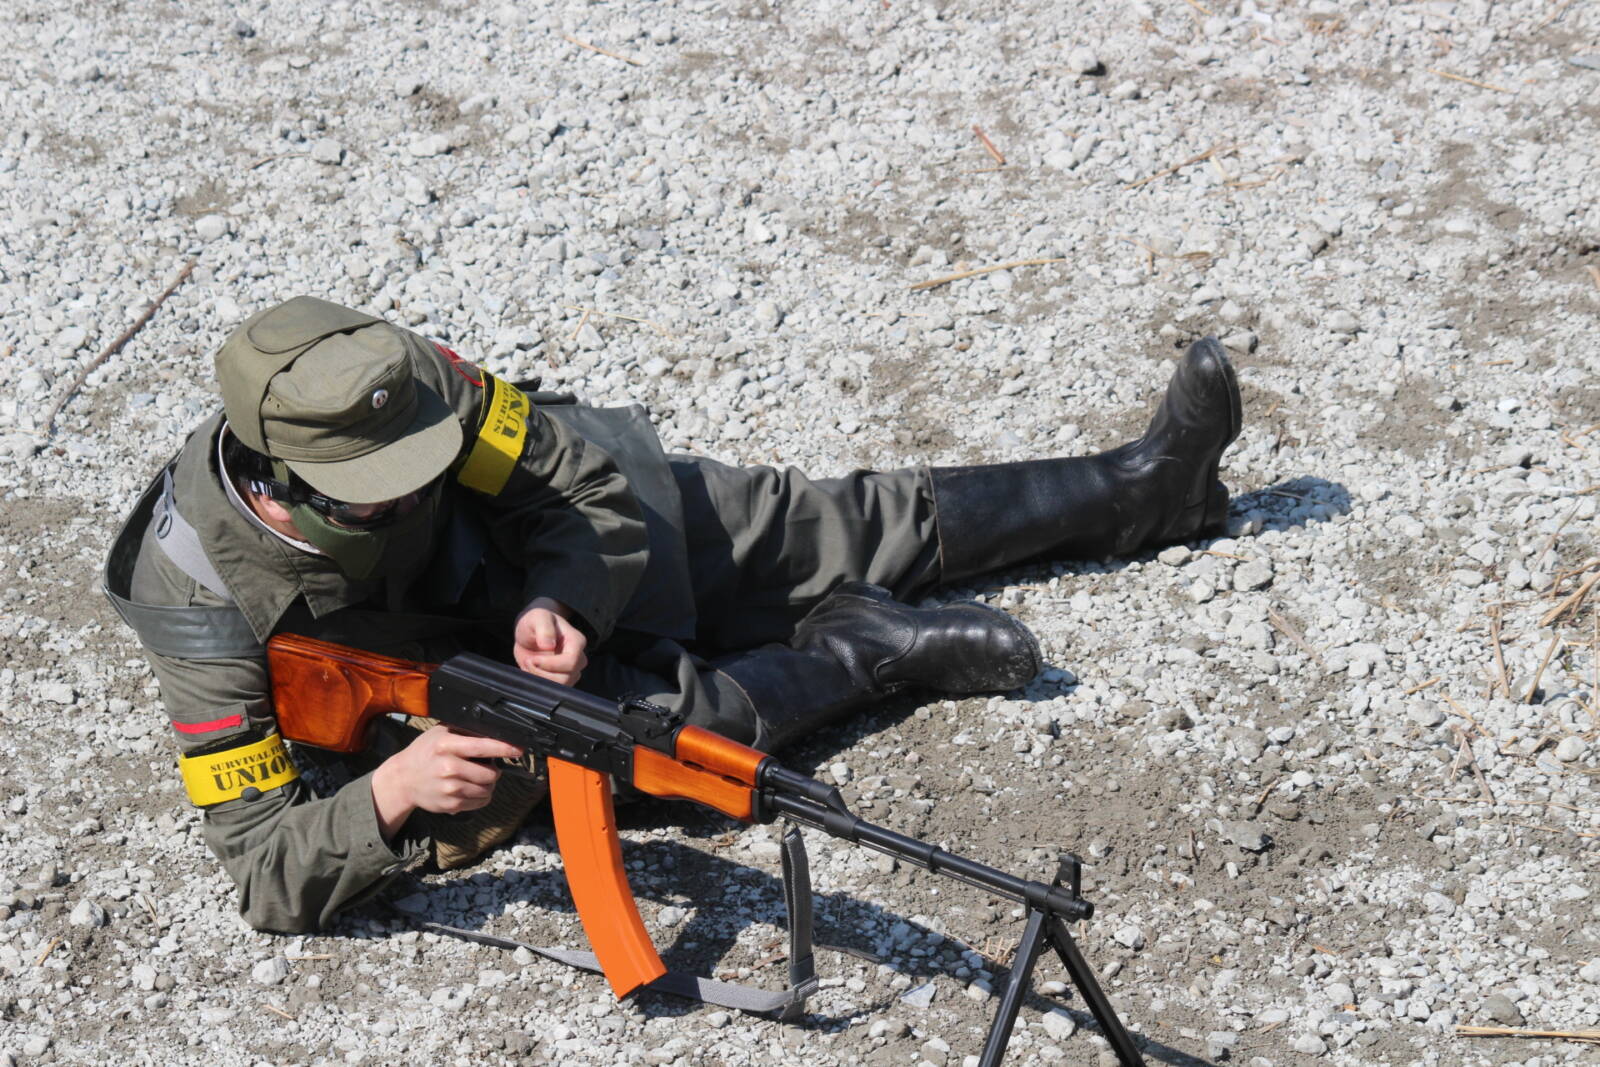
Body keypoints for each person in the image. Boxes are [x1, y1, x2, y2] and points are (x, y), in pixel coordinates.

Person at [103, 296, 1242, 934]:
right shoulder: (197, 598)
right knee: (658, 738)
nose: (415, 482)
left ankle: (1140, 489)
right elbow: (262, 869)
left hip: (523, 567)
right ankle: (865, 650)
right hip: (416, 687)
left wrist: (563, 595)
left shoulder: (415, 387)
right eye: (380, 486)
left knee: (797, 521)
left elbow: (574, 483)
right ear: (283, 480)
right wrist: (396, 789)